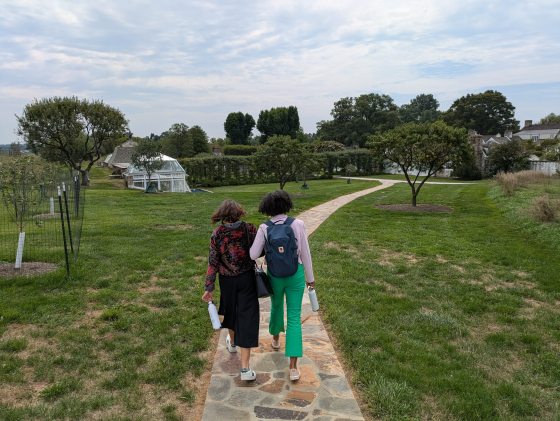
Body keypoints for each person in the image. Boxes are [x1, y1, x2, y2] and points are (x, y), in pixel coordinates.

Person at [249, 190, 315, 381]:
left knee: (277, 306)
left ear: (267, 208)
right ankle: (293, 367)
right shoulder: (298, 224)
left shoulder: (264, 228)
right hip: (296, 275)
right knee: (294, 316)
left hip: (275, 275)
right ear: (287, 205)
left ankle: (276, 339)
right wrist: (310, 278)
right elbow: (305, 253)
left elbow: (253, 255)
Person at [202, 199, 259, 381]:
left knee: (232, 312)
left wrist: (208, 287)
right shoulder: (250, 229)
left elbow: (213, 263)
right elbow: (260, 251)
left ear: (222, 215)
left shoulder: (217, 234)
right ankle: (245, 369)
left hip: (226, 280)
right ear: (239, 213)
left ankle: (233, 343)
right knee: (247, 317)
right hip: (247, 278)